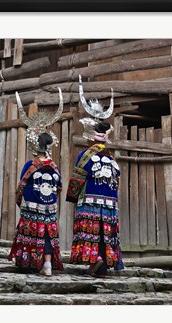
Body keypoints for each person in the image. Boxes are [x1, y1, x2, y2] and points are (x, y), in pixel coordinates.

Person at [66, 75, 124, 277]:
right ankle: (104, 261)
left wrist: (73, 197)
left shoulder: (86, 155)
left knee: (90, 232)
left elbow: (77, 179)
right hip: (109, 204)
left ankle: (96, 259)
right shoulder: (112, 159)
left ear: (90, 137)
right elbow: (116, 183)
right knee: (105, 233)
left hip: (89, 201)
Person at [8, 89, 64, 276]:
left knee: (29, 232)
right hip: (49, 207)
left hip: (32, 206)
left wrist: (19, 202)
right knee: (48, 234)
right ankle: (47, 265)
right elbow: (59, 187)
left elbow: (21, 186)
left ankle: (28, 262)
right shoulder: (55, 167)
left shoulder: (30, 165)